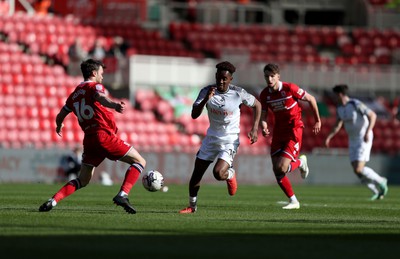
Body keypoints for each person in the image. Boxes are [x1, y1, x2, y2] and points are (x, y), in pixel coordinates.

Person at [39, 59, 146, 214]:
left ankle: (53, 200)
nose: (102, 77)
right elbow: (100, 97)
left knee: (83, 180)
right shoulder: (95, 86)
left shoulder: (74, 94)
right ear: (94, 73)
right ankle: (123, 194)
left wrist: (58, 125)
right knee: (139, 161)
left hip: (89, 140)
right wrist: (114, 105)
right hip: (103, 135)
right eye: (101, 73)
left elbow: (60, 114)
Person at [179, 61, 262, 214]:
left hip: (230, 140)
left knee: (218, 173)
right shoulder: (206, 91)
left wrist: (255, 128)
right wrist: (205, 100)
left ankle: (230, 174)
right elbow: (194, 115)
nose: (221, 82)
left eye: (225, 79)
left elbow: (257, 104)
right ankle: (192, 207)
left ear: (230, 79)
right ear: (216, 76)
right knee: (196, 174)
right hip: (211, 138)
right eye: (219, 78)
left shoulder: (238, 93)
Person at [259, 63, 321, 209]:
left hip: (294, 130)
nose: (269, 79)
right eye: (266, 76)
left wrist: (318, 120)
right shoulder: (264, 94)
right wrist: (263, 125)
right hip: (278, 132)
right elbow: (263, 114)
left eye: (272, 76)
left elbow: (311, 99)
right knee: (276, 169)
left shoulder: (290, 88)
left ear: (278, 76)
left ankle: (300, 162)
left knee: (281, 167)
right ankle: (294, 201)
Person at [324, 84, 388, 200]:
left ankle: (381, 180)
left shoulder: (355, 104)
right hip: (352, 140)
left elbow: (372, 115)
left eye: (335, 95)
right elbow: (338, 124)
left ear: (340, 94)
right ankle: (376, 191)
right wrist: (329, 137)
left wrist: (368, 131)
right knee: (357, 171)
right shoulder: (340, 108)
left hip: (363, 137)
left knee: (359, 168)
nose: (334, 98)